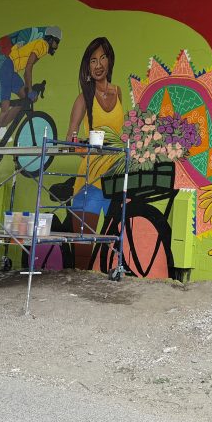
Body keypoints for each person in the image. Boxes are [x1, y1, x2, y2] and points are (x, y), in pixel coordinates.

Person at [64, 37, 123, 269]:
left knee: (113, 241)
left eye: (103, 58)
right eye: (93, 60)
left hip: (115, 178)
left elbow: (122, 132)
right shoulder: (84, 98)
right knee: (83, 248)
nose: (98, 65)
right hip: (90, 179)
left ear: (110, 61)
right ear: (87, 66)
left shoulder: (118, 92)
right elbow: (71, 139)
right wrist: (85, 148)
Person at [0, 26, 61, 167]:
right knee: (5, 109)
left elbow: (22, 55)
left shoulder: (41, 47)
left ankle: (2, 127)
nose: (57, 46)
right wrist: (30, 89)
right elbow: (28, 69)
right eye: (57, 42)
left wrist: (31, 90)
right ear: (51, 39)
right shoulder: (42, 45)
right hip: (8, 69)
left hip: (13, 70)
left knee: (24, 102)